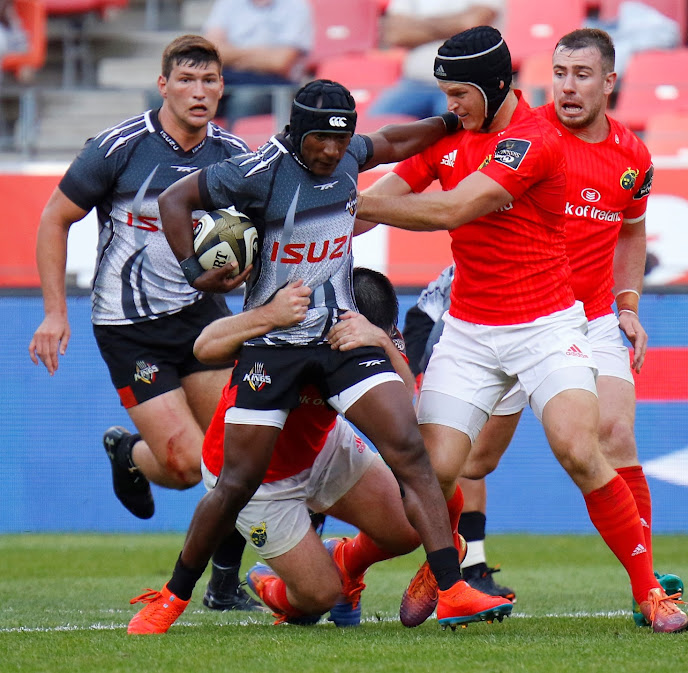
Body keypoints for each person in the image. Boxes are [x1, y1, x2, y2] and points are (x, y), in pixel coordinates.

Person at [126, 78, 513, 635]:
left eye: (341, 141)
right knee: (241, 484)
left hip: (336, 338)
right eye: (320, 142)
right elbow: (174, 199)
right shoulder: (259, 172)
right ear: (296, 132)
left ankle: (452, 588)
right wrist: (195, 274)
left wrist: (453, 122)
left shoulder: (350, 153)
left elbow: (398, 141)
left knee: (412, 447)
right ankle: (172, 597)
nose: (332, 152)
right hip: (275, 346)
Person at [357, 26, 688, 634]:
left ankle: (649, 588)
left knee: (589, 443)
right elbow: (388, 191)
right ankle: (435, 556)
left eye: (582, 74)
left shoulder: (548, 142)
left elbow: (449, 209)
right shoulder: (458, 134)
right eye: (559, 72)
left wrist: (628, 303)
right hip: (473, 326)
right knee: (442, 470)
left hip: (558, 318)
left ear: (609, 82)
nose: (567, 85)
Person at [27, 34, 263, 613]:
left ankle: (224, 585)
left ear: (222, 88)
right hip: (128, 326)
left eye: (209, 81)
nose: (198, 92)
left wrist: (242, 276)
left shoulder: (233, 154)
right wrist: (55, 312)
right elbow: (53, 219)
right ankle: (129, 453)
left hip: (202, 317)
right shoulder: (119, 147)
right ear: (163, 86)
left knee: (236, 454)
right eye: (186, 80)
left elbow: (264, 233)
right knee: (184, 469)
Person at [184, 267, 428, 628]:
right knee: (317, 599)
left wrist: (380, 341)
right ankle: (270, 584)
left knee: (408, 529)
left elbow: (407, 405)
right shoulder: (292, 327)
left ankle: (345, 562)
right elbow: (202, 347)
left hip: (324, 446)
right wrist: (267, 315)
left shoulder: (376, 334)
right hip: (256, 480)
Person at [403, 264, 516, 602]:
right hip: (444, 341)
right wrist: (412, 373)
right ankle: (463, 565)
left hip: (498, 340)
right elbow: (424, 314)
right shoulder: (479, 260)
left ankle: (469, 563)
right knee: (454, 455)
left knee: (477, 462)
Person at [368, 0, 503, 120]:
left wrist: (416, 26)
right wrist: (454, 26)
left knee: (455, 132)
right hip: (415, 84)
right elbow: (395, 34)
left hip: (466, 83)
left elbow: (471, 23)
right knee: (371, 129)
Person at [203, 0, 313, 128]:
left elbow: (279, 63)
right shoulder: (228, 3)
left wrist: (231, 55)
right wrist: (261, 54)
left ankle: (233, 146)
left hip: (274, 86)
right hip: (230, 78)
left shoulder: (296, 6)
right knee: (198, 91)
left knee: (244, 100)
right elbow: (210, 52)